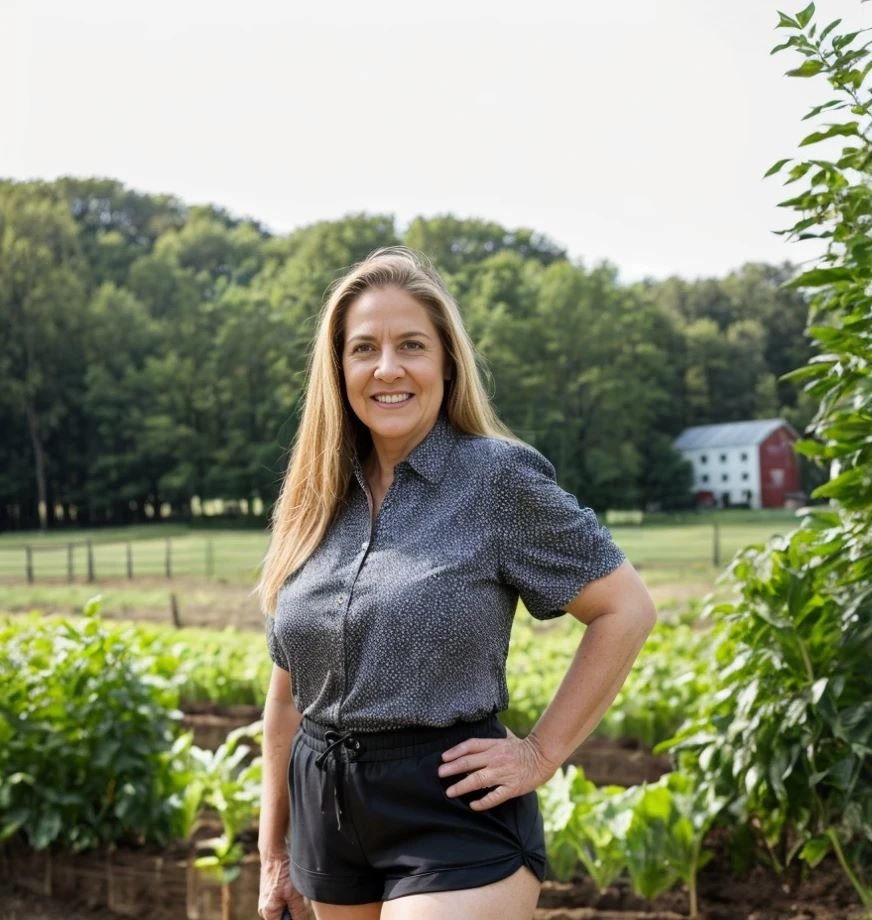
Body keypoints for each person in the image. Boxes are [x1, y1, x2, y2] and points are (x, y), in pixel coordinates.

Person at [256, 247, 656, 920]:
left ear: (446, 362)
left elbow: (626, 608)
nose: (387, 368)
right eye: (364, 348)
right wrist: (274, 850)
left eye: (411, 345)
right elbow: (286, 695)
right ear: (339, 367)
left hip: (451, 808)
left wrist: (540, 753)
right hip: (326, 818)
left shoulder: (496, 480)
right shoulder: (313, 499)